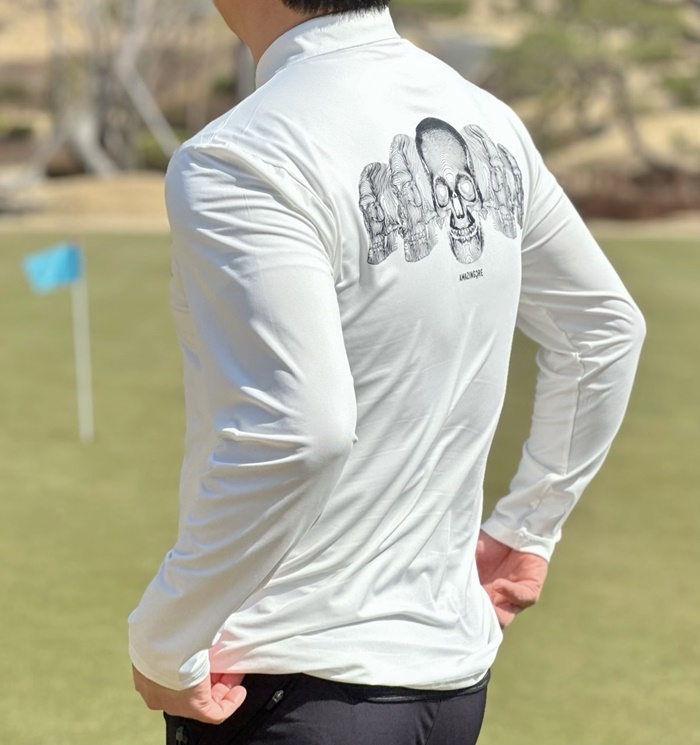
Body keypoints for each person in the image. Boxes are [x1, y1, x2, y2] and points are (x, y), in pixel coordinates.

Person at [128, 1, 646, 743]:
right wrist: (529, 526)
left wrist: (165, 637)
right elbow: (603, 330)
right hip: (449, 684)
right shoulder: (485, 118)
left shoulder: (241, 155)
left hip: (290, 685)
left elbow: (300, 430)